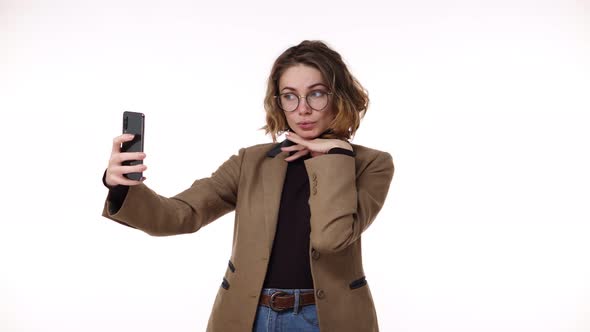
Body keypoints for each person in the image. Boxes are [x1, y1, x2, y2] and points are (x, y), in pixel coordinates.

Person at [102, 40, 394, 332]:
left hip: (328, 319)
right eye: (289, 96)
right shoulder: (251, 162)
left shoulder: (370, 165)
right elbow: (181, 214)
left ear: (338, 97)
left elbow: (330, 239)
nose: (303, 109)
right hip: (249, 316)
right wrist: (122, 187)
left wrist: (335, 155)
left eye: (316, 94)